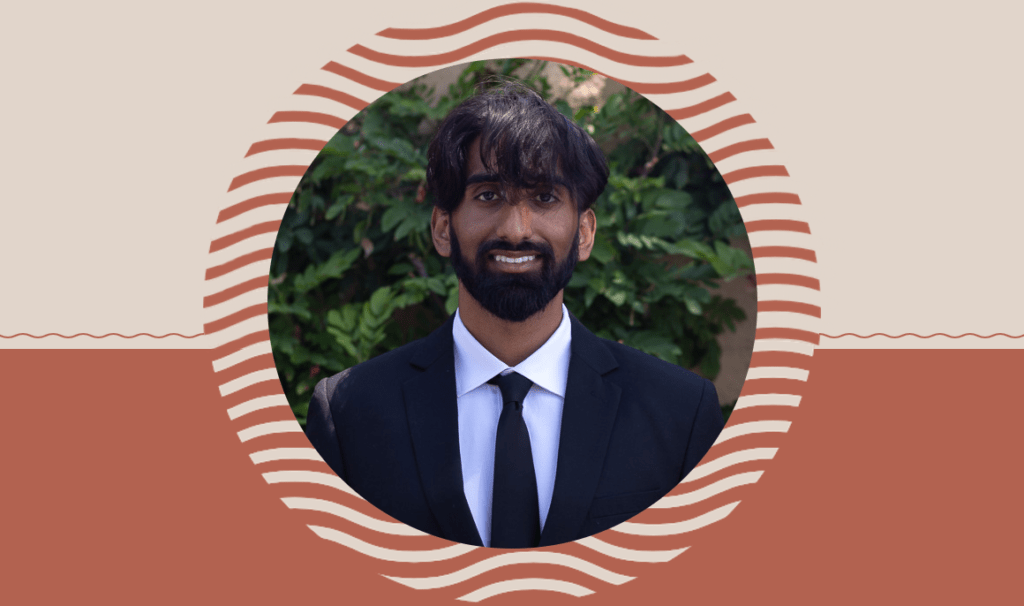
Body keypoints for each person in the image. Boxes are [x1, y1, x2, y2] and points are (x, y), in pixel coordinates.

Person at [305, 81, 724, 548]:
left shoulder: (679, 413)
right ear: (443, 228)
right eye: (488, 195)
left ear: (585, 233)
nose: (515, 229)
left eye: (544, 198)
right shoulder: (350, 414)